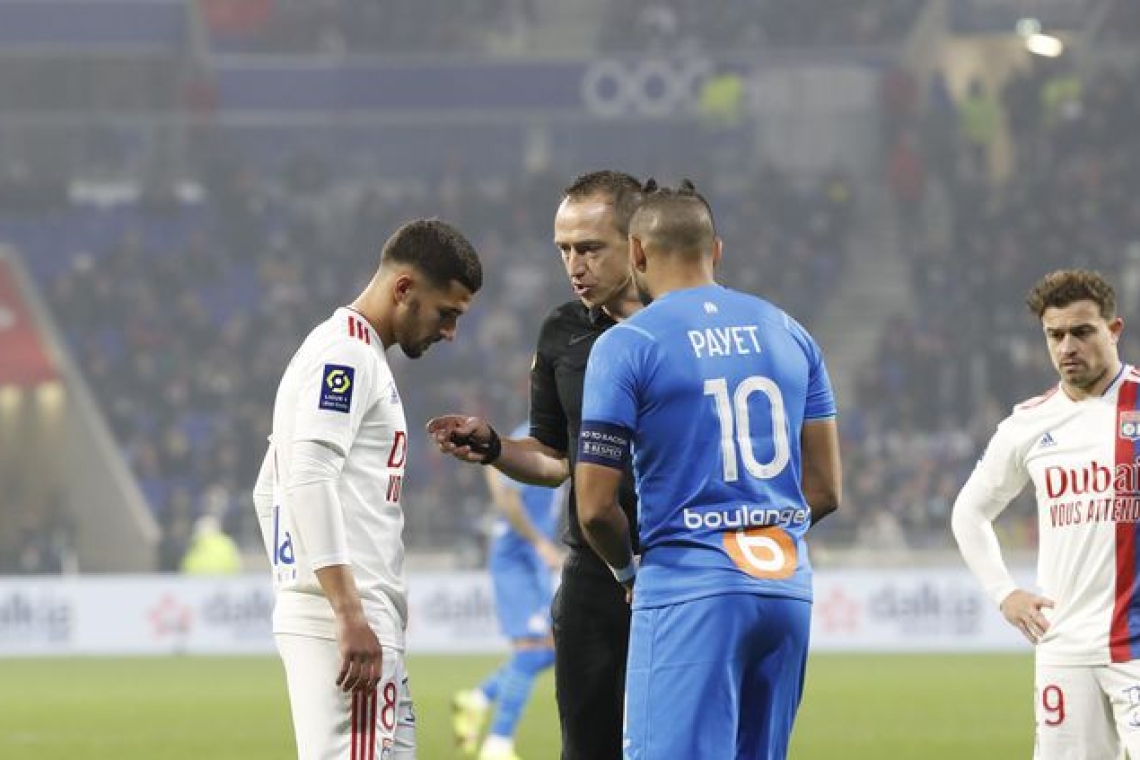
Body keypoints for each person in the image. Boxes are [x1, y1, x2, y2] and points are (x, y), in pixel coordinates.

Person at [574, 180, 842, 760]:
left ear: (637, 253)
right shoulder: (791, 333)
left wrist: (627, 573)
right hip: (786, 589)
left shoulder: (628, 344)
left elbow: (594, 507)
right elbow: (826, 489)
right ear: (715, 250)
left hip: (689, 588)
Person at [427, 170, 645, 760]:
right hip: (596, 575)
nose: (574, 265)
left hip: (680, 571)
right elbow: (554, 459)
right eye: (565, 250)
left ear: (638, 242)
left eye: (591, 248)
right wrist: (497, 447)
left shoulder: (683, 325)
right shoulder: (563, 331)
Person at [252, 219, 483, 760]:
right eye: (446, 313)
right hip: (349, 624)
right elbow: (306, 472)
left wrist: (300, 586)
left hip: (351, 618)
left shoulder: (348, 351)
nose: (450, 332)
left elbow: (270, 487)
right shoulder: (347, 355)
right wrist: (342, 610)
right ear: (403, 288)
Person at [951, 269, 1140, 759]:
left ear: (1113, 330)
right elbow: (969, 513)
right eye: (1055, 335)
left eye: (1082, 332)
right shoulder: (1027, 424)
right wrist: (1004, 592)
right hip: (1064, 648)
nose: (1067, 347)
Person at [452, 424, 564, 760]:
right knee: (532, 650)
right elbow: (508, 498)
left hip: (529, 559)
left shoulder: (542, 434)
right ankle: (497, 744)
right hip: (517, 558)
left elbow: (494, 476)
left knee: (552, 649)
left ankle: (477, 699)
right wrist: (540, 543)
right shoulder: (529, 434)